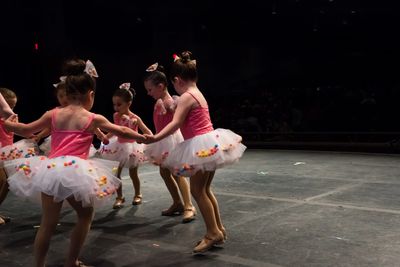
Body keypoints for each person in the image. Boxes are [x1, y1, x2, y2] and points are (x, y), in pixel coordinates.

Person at [3, 59, 146, 267]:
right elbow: (123, 131)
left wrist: (7, 124)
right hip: (75, 171)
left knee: (47, 223)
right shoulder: (92, 117)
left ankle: (39, 265)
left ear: (68, 94)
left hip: (51, 170)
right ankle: (71, 261)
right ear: (90, 94)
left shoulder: (53, 114)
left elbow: (26, 129)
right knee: (86, 215)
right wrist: (145, 138)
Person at [144, 51, 246, 253]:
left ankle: (212, 233)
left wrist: (155, 138)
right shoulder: (197, 93)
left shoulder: (186, 97)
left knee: (197, 191)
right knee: (205, 190)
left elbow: (175, 124)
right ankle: (218, 229)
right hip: (210, 145)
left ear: (177, 80)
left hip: (199, 147)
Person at [143, 62, 196, 223]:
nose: (148, 93)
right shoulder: (159, 102)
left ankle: (189, 206)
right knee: (164, 172)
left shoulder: (170, 102)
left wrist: (173, 108)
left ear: (160, 86)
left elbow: (178, 119)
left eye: (150, 89)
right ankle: (177, 202)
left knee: (178, 173)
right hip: (162, 139)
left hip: (171, 140)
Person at [98, 83, 152, 208]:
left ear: (129, 104)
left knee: (133, 174)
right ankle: (119, 197)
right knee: (116, 174)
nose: (116, 107)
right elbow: (116, 130)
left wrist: (145, 138)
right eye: (114, 104)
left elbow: (146, 131)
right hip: (118, 147)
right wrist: (106, 136)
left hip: (132, 148)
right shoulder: (116, 116)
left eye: (119, 104)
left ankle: (138, 194)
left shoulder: (135, 118)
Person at [32, 79, 107, 156]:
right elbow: (49, 128)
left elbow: (90, 124)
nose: (64, 99)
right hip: (59, 143)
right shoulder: (55, 112)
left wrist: (100, 135)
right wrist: (39, 135)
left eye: (66, 95)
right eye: (60, 96)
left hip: (78, 144)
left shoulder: (79, 111)